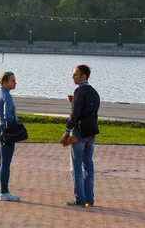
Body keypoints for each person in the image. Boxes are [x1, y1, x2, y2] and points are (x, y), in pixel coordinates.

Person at [61, 65, 100, 208]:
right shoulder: (94, 92)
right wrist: (75, 101)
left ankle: (79, 199)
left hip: (79, 132)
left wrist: (66, 132)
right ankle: (89, 198)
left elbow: (76, 114)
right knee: (88, 165)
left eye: (75, 74)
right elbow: (91, 110)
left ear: (84, 76)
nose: (73, 77)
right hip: (91, 131)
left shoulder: (79, 90)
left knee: (76, 167)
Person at [0, 71, 21, 202]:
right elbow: (7, 114)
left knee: (1, 161)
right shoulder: (7, 96)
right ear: (5, 82)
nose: (15, 83)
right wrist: (15, 125)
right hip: (5, 130)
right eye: (12, 81)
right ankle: (5, 192)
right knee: (6, 163)